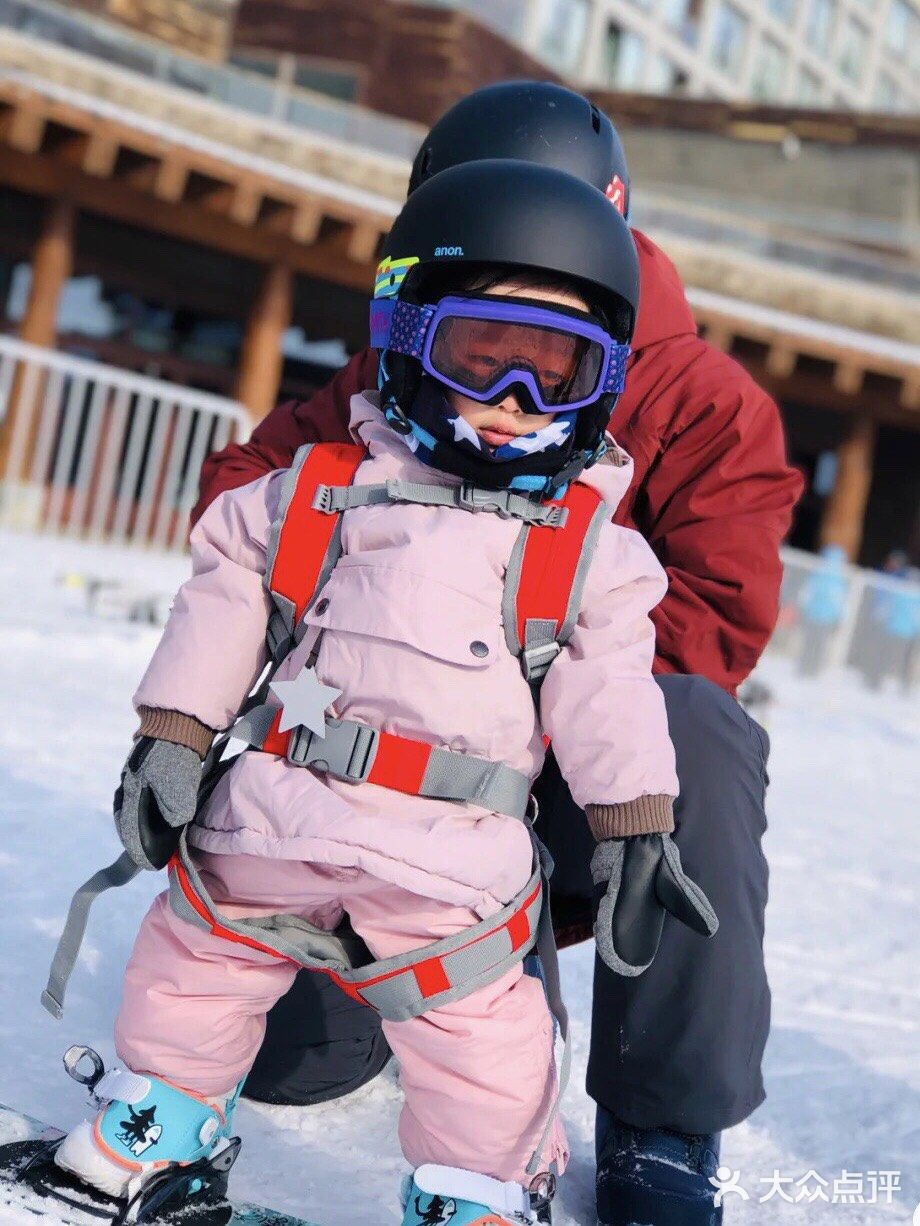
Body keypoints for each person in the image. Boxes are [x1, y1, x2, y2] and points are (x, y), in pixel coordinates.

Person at [50, 160, 719, 1225]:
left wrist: (634, 824)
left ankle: (471, 1191)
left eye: (555, 370)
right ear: (408, 340)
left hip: (450, 864)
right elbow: (226, 589)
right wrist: (174, 733)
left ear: (602, 382)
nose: (514, 404)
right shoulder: (317, 494)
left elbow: (610, 693)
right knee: (192, 960)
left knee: (483, 1042)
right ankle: (163, 1119)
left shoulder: (592, 552)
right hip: (271, 818)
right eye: (481, 358)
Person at [193, 83, 802, 1226]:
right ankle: (357, 978)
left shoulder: (702, 403)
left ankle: (659, 1125)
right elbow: (243, 498)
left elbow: (714, 627)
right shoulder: (409, 363)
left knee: (700, 730)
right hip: (379, 781)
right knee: (291, 1063)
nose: (511, 378)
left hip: (578, 793)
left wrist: (512, 641)